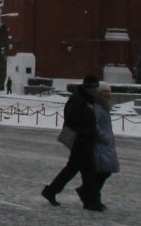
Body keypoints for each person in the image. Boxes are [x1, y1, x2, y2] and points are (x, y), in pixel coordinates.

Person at [42, 74, 105, 210]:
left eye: (96, 86)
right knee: (89, 173)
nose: (95, 89)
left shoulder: (87, 99)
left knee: (71, 169)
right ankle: (91, 202)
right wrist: (85, 132)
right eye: (93, 87)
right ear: (88, 87)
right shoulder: (78, 100)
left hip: (84, 140)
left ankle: (50, 191)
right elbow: (72, 120)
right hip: (80, 140)